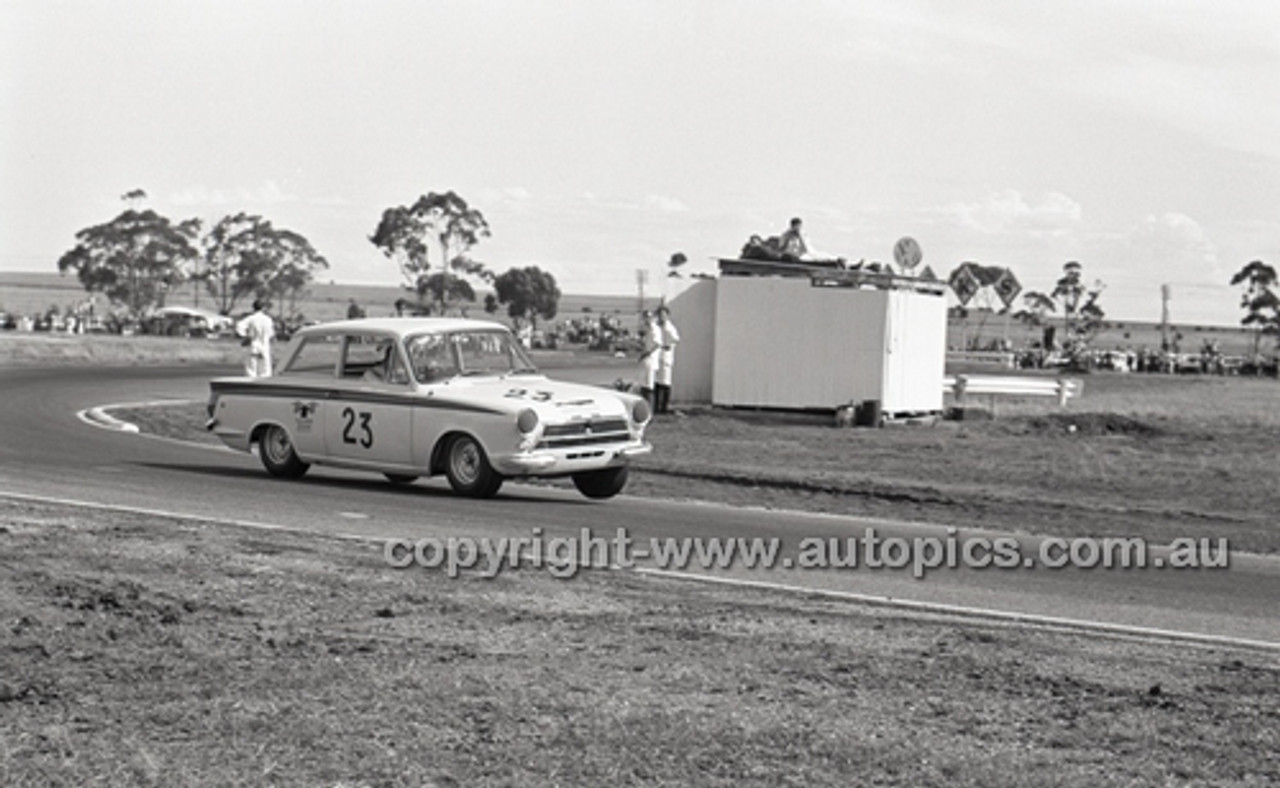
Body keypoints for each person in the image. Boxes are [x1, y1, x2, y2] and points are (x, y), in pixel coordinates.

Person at [235, 299, 276, 378]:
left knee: (251, 371)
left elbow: (239, 326)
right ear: (263, 308)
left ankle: (250, 386)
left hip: (253, 346)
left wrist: (244, 336)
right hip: (264, 347)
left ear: (253, 307)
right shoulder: (268, 320)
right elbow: (271, 334)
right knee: (265, 371)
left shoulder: (251, 318)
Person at [655, 304, 679, 414]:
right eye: (659, 315)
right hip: (657, 357)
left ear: (667, 316)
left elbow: (675, 339)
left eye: (663, 315)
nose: (661, 317)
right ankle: (656, 406)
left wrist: (667, 345)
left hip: (666, 357)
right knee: (656, 382)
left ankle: (664, 407)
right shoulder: (657, 326)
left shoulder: (670, 328)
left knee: (665, 382)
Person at [638, 310, 662, 411]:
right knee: (644, 385)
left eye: (648, 317)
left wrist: (647, 352)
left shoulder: (655, 329)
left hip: (651, 360)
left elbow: (657, 344)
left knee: (649, 387)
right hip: (646, 360)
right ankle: (646, 409)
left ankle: (650, 410)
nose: (646, 320)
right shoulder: (648, 330)